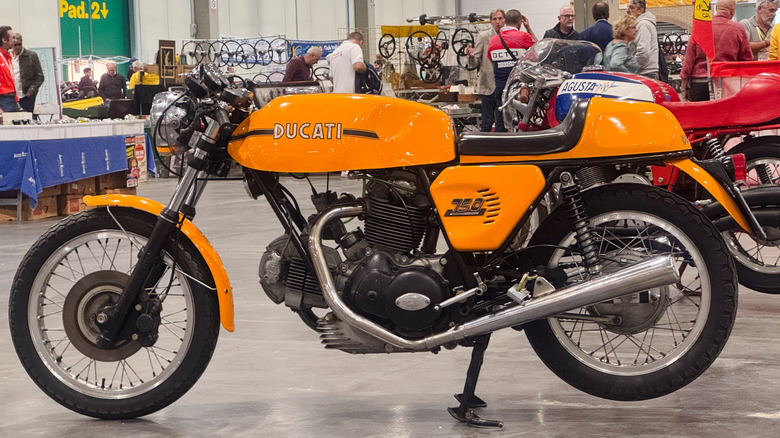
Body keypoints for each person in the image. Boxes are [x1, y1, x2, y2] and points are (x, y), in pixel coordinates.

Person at [681, 0, 752, 101]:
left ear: (716, 9)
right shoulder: (738, 29)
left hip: (700, 84)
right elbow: (747, 60)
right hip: (728, 83)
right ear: (732, 11)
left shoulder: (701, 28)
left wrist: (684, 88)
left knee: (703, 115)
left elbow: (688, 60)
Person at [488, 9, 535, 132]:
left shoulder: (493, 40)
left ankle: (499, 148)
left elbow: (492, 61)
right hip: (518, 88)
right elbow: (538, 53)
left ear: (505, 21)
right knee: (521, 120)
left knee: (501, 119)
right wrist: (528, 28)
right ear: (520, 23)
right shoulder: (523, 36)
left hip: (500, 86)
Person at [466, 9, 504, 132]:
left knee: (502, 122)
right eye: (495, 19)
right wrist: (471, 57)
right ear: (490, 21)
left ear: (505, 20)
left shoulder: (509, 37)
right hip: (488, 85)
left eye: (500, 18)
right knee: (487, 121)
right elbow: (475, 62)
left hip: (503, 86)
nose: (498, 22)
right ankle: (484, 148)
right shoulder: (484, 37)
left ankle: (500, 148)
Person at [11, 33, 44, 115]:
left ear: (22, 42)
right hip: (11, 96)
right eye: (15, 45)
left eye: (19, 44)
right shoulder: (7, 57)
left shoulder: (31, 55)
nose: (17, 47)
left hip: (26, 95)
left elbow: (40, 77)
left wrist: (31, 91)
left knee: (27, 119)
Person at [626, 0, 659, 79]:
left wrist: (632, 67)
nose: (627, 11)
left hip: (645, 72)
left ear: (640, 10)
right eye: (627, 7)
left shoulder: (642, 24)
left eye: (631, 7)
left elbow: (643, 52)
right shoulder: (643, 23)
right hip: (647, 71)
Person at [0, 25, 20, 115]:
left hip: (11, 98)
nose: (15, 40)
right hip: (3, 99)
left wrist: (16, 100)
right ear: (4, 40)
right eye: (12, 37)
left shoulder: (9, 57)